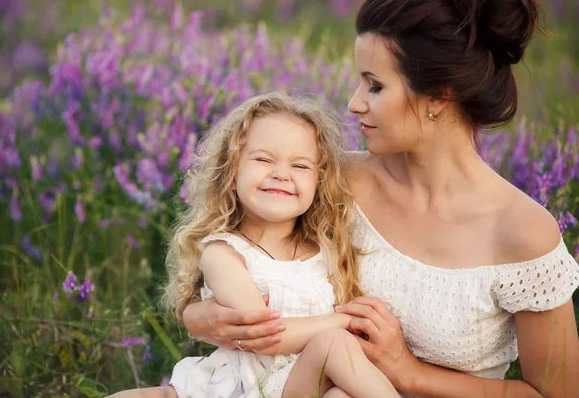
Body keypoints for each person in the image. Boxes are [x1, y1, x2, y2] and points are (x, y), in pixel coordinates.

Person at [112, 0, 579, 397]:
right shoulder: (337, 181)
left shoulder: (521, 231)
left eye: (375, 85)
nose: (355, 102)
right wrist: (200, 317)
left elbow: (555, 393)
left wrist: (410, 374)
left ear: (438, 94)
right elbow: (242, 253)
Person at [110, 91, 400, 397]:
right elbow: (264, 334)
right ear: (232, 169)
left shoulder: (326, 254)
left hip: (300, 383)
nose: (280, 174)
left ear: (319, 181)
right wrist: (343, 322)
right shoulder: (223, 253)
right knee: (334, 343)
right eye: (263, 159)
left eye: (300, 166)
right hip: (245, 386)